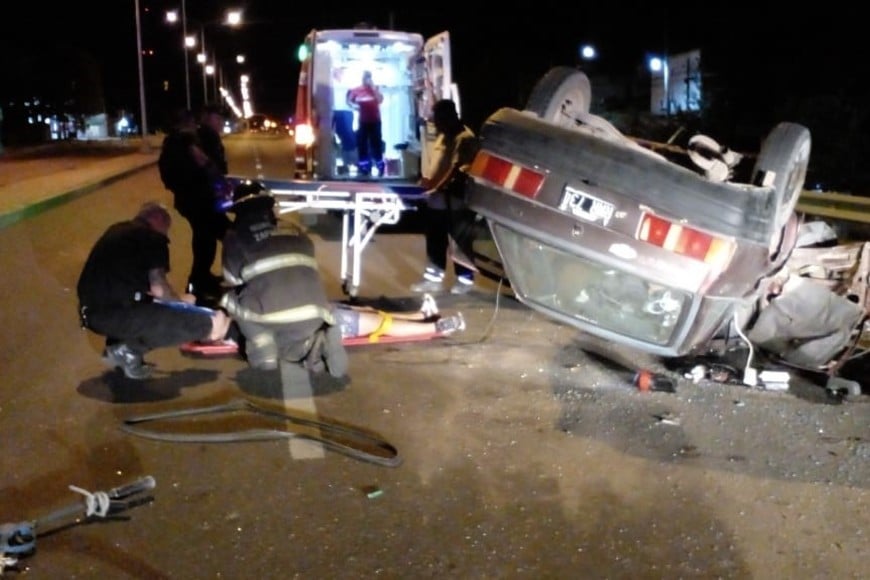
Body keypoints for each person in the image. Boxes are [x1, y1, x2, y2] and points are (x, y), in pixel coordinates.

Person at [77, 201, 231, 379]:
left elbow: (128, 282)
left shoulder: (117, 230)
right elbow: (159, 289)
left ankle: (125, 351)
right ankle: (128, 350)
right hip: (115, 314)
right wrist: (187, 310)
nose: (165, 233)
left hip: (92, 312)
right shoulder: (151, 238)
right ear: (158, 220)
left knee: (170, 303)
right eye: (166, 228)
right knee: (194, 322)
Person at [219, 181, 349, 381]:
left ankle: (264, 352)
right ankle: (313, 343)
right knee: (289, 342)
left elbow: (233, 280)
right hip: (316, 312)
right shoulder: (294, 229)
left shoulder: (235, 237)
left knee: (228, 298)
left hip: (271, 314)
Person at [157, 107, 231, 305]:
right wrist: (218, 178)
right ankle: (198, 283)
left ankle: (200, 280)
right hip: (199, 199)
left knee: (205, 238)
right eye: (218, 119)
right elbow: (205, 163)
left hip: (193, 200)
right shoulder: (187, 141)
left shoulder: (175, 141)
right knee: (225, 235)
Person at [410, 99, 481, 295]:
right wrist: (426, 183)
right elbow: (437, 164)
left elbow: (455, 169)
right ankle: (434, 278)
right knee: (435, 240)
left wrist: (436, 188)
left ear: (450, 116)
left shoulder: (464, 138)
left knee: (460, 242)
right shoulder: (443, 136)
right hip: (437, 200)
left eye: (439, 118)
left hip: (455, 200)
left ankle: (465, 281)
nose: (436, 123)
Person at [346, 70, 384, 177]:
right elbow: (349, 101)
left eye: (369, 77)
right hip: (363, 121)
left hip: (375, 121)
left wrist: (373, 88)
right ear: (362, 78)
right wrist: (355, 107)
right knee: (362, 144)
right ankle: (364, 167)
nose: (367, 79)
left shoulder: (375, 89)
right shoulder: (357, 90)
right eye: (365, 77)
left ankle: (379, 165)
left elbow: (380, 100)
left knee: (376, 144)